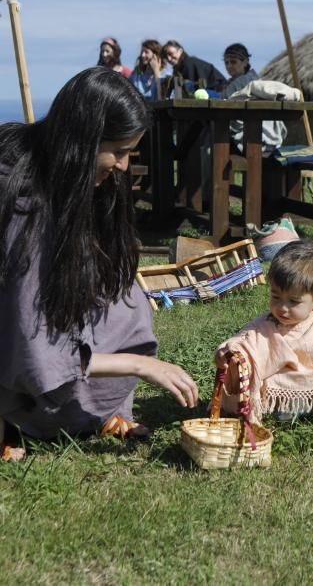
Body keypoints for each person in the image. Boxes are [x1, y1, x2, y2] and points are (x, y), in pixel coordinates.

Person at [0, 67, 198, 461]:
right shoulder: (23, 201)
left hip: (34, 324)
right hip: (11, 333)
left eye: (131, 153)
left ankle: (101, 409)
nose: (124, 166)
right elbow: (30, 338)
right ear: (82, 141)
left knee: (126, 306)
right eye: (119, 151)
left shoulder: (84, 176)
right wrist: (139, 366)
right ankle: (15, 416)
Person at [215, 240, 313, 423]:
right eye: (276, 297)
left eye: (293, 301)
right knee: (265, 382)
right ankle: (281, 408)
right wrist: (228, 352)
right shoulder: (265, 325)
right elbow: (243, 340)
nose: (283, 308)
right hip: (281, 384)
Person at [220, 43, 287, 154]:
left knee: (211, 140)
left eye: (233, 62)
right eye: (226, 62)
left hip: (256, 138)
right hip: (271, 138)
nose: (228, 66)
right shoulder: (251, 80)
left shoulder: (244, 84)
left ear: (245, 62)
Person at [161, 40, 226, 92]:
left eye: (170, 54)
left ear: (180, 51)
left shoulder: (189, 63)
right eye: (166, 56)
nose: (169, 58)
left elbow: (192, 88)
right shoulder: (178, 69)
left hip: (220, 91)